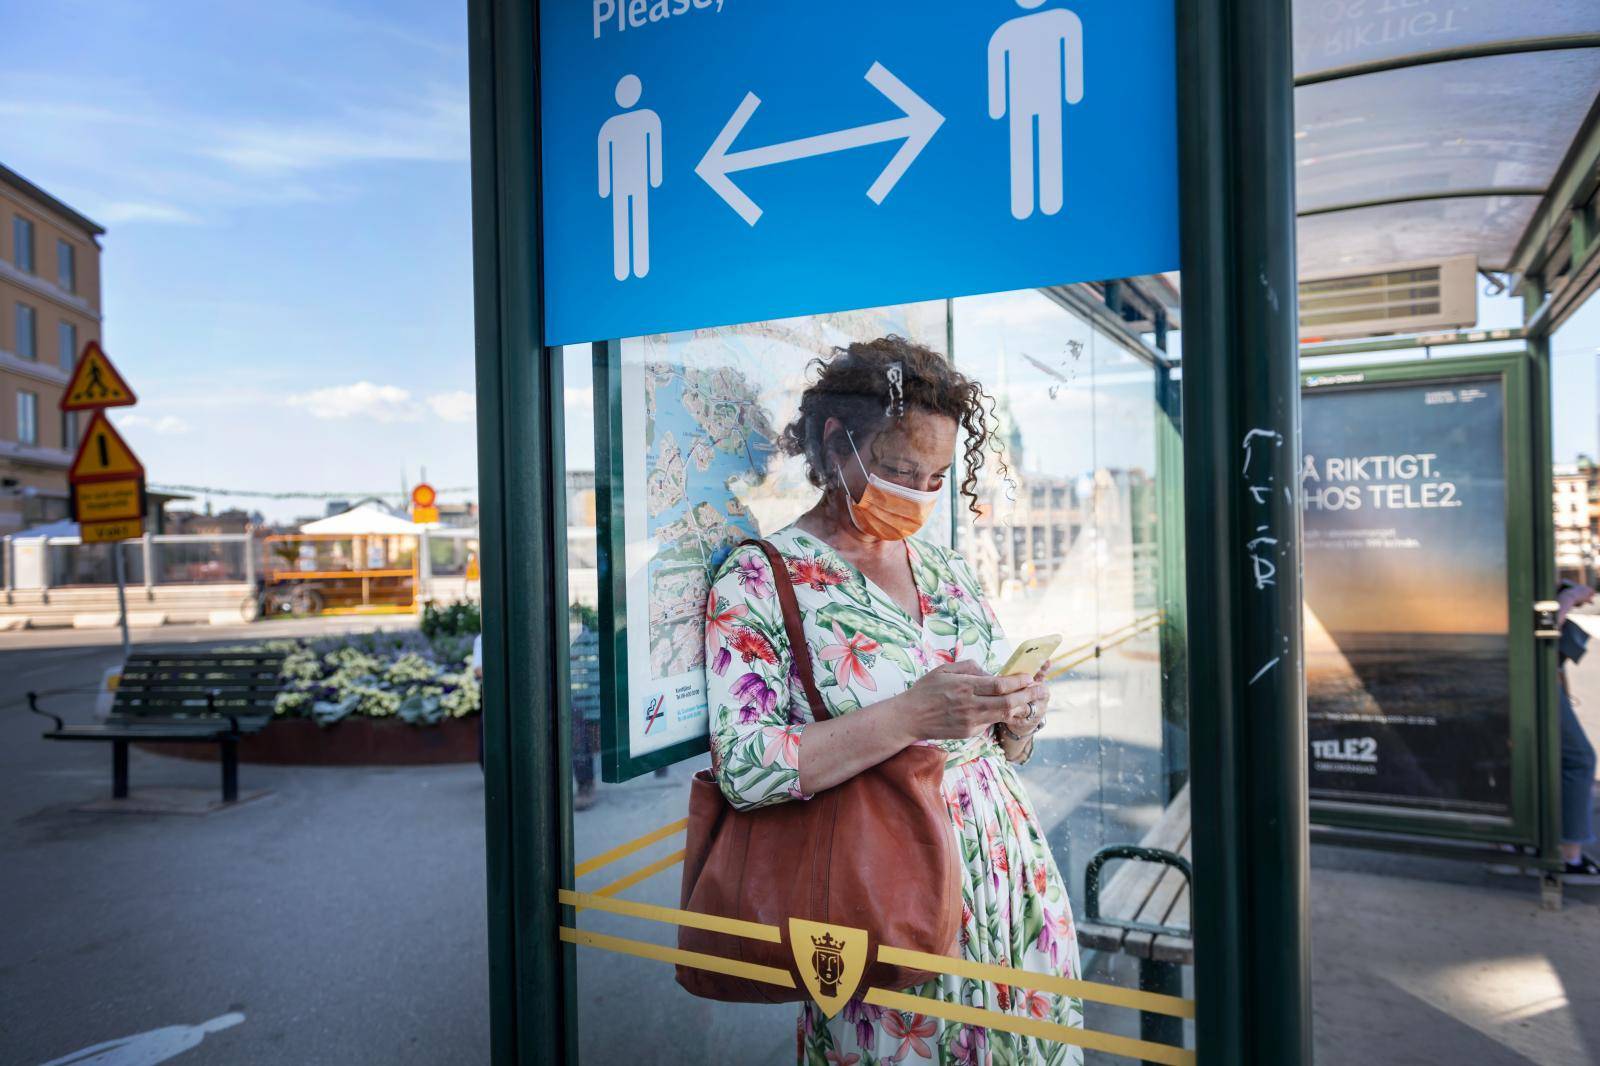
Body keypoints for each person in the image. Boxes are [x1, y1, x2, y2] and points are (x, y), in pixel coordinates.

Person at [703, 337, 1083, 1065]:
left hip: (1006, 877)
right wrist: (912, 714)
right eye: (899, 470)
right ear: (835, 441)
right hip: (878, 885)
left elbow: (993, 735)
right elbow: (745, 769)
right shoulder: (759, 579)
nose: (918, 495)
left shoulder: (944, 566)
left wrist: (1016, 717)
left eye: (938, 478)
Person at [1555, 581, 1600, 883]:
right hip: (1528, 674)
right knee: (1579, 758)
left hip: (1524, 671)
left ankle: (1518, 842)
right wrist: (1569, 597)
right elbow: (1540, 622)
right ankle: (1568, 858)